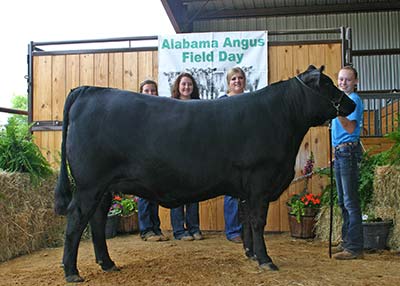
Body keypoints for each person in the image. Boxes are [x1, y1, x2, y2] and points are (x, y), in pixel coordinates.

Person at [331, 66, 364, 260]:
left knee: (350, 202)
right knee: (343, 201)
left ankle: (354, 247)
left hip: (348, 150)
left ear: (355, 82)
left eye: (348, 80)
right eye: (341, 79)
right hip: (340, 152)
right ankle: (347, 242)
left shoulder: (353, 101)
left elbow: (351, 127)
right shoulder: (344, 101)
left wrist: (339, 112)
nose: (343, 83)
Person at [169, 72, 203, 241]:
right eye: (183, 84)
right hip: (175, 155)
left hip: (195, 156)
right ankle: (179, 230)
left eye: (189, 84)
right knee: (176, 193)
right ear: (178, 86)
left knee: (195, 192)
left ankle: (194, 228)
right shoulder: (170, 105)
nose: (186, 87)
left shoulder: (199, 106)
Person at [137, 79, 168, 242]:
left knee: (154, 195)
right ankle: (145, 229)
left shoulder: (160, 110)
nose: (150, 94)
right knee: (143, 194)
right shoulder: (136, 113)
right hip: (141, 159)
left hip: (157, 157)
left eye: (153, 91)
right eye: (147, 91)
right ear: (140, 93)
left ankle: (155, 228)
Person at [218, 67, 246, 243]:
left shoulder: (251, 100)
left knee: (247, 191)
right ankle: (233, 231)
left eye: (240, 78)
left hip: (247, 151)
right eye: (234, 79)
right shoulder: (222, 101)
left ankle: (245, 229)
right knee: (231, 192)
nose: (237, 81)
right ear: (229, 83)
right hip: (227, 151)